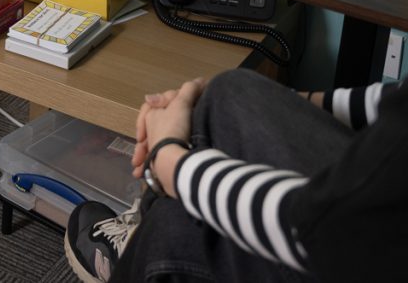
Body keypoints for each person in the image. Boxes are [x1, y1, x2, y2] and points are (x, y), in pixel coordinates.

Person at [65, 67, 408, 282]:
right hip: (359, 222)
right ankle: (139, 236)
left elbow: (317, 229)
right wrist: (282, 101)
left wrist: (170, 160)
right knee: (228, 91)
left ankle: (136, 255)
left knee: (175, 227)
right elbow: (394, 105)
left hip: (346, 247)